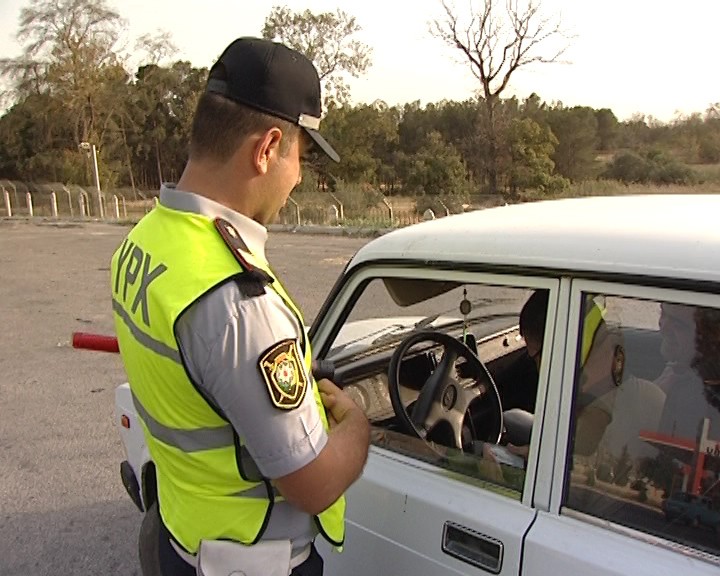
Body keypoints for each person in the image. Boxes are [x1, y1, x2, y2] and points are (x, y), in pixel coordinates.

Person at [110, 37, 370, 576]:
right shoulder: (237, 301)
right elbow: (313, 484)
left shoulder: (143, 243)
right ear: (267, 148)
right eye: (300, 156)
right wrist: (359, 427)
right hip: (256, 564)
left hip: (184, 540)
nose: (298, 177)